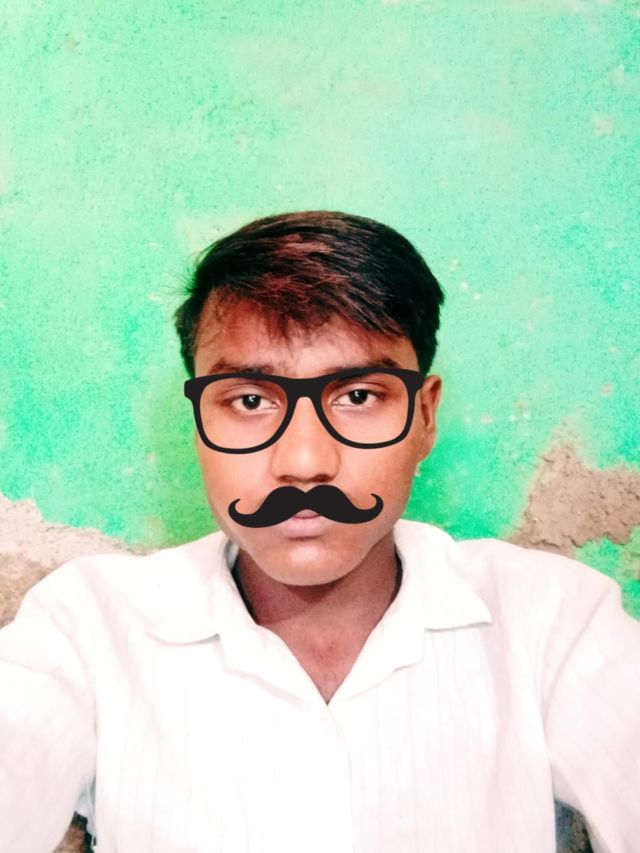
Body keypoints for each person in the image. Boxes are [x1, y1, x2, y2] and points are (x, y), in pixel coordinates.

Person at [1, 211, 638, 853]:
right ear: (199, 424)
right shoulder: (86, 628)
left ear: (424, 417)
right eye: (250, 400)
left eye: (358, 396)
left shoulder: (553, 623)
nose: (304, 462)